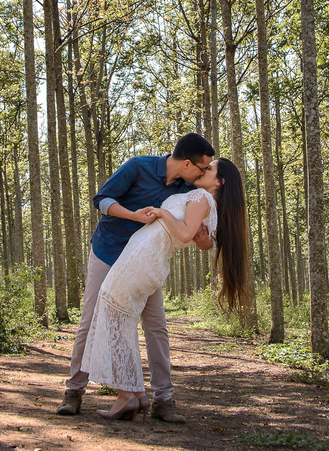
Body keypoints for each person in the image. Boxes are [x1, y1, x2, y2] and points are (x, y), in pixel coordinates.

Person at [56, 133, 216, 423]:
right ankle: (74, 392)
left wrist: (204, 241)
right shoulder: (138, 166)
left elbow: (195, 232)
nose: (204, 173)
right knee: (90, 320)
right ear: (187, 164)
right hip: (109, 252)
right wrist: (133, 216)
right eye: (202, 168)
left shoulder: (188, 188)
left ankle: (163, 400)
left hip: (144, 263)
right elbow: (101, 200)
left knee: (156, 326)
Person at [80, 158, 249, 421]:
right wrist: (203, 240)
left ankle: (128, 396)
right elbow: (205, 240)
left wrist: (162, 213)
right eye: (203, 166)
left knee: (113, 314)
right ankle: (136, 393)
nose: (204, 170)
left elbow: (185, 234)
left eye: (209, 169)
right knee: (119, 316)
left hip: (142, 257)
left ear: (219, 182)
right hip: (145, 256)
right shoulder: (206, 201)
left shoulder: (201, 196)